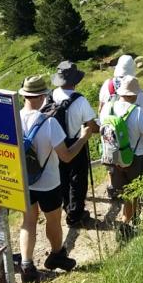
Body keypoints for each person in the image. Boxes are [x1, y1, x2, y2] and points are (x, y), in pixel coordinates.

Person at [16, 75, 89, 283]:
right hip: (48, 182)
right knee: (53, 220)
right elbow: (66, 156)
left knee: (28, 221)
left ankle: (27, 265)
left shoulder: (14, 120)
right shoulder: (50, 123)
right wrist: (83, 138)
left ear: (25, 96)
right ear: (42, 96)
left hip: (24, 181)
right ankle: (57, 254)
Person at [101, 76, 143, 231]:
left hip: (113, 158)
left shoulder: (108, 108)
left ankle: (131, 221)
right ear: (135, 94)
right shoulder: (137, 111)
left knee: (126, 193)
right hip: (135, 158)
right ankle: (127, 225)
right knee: (135, 192)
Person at [49, 61, 99, 227]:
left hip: (55, 144)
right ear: (75, 81)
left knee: (61, 178)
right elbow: (92, 126)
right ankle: (75, 215)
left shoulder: (51, 96)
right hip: (76, 142)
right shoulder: (80, 100)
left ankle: (67, 208)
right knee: (77, 180)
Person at [98, 55, 143, 200]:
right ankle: (132, 204)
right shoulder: (134, 87)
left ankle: (113, 187)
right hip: (132, 138)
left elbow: (100, 108)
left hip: (110, 131)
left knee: (112, 157)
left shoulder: (107, 85)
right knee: (132, 173)